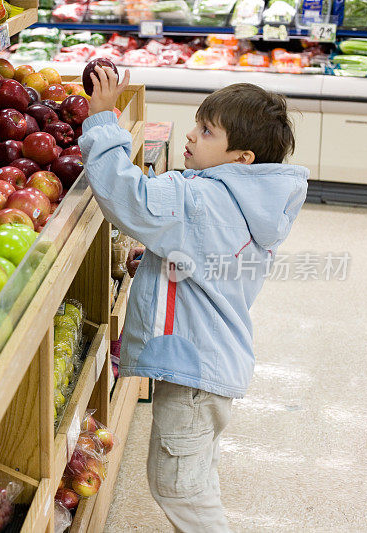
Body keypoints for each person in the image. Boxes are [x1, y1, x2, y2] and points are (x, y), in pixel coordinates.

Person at [79, 68, 308, 532]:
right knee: (194, 476)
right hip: (212, 363)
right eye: (197, 122)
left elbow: (130, 197)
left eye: (207, 131)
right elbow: (205, 255)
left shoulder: (201, 198)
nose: (190, 134)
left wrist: (104, 122)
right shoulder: (251, 201)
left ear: (241, 158)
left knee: (176, 488)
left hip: (194, 373)